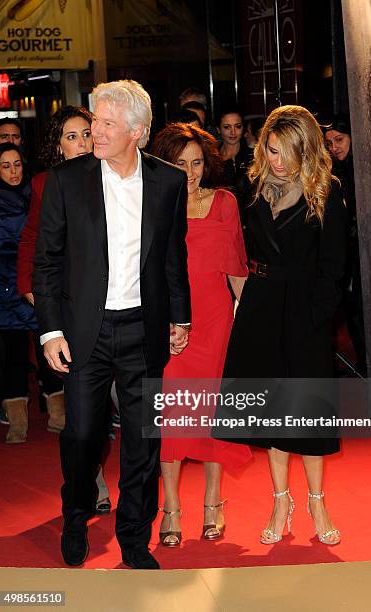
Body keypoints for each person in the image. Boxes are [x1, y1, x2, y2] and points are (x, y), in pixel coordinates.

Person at [33, 80, 191, 570]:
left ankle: (134, 538)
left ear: (136, 132)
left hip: (144, 330)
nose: (94, 132)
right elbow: (47, 263)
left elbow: (172, 255)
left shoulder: (167, 181)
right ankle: (77, 517)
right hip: (85, 332)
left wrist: (180, 315)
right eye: (94, 121)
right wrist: (51, 331)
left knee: (143, 441)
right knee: (82, 435)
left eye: (104, 123)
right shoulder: (67, 180)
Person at [219, 105, 346, 546]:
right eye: (271, 150)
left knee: (307, 413)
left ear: (306, 150)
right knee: (271, 412)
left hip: (304, 310)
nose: (277, 161)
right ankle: (280, 499)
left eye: (286, 153)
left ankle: (316, 500)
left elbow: (335, 267)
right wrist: (241, 299)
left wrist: (317, 316)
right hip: (261, 306)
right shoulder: (251, 188)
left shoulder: (326, 192)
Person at [151, 123, 251, 547]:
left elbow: (238, 269)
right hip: (171, 323)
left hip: (216, 322)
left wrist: (245, 323)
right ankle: (170, 506)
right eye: (180, 163)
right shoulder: (153, 204)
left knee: (211, 415)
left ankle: (213, 502)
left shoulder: (224, 202)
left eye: (196, 163)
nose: (189, 172)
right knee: (172, 415)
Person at [17, 105, 111, 514]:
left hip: (113, 307)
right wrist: (37, 296)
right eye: (71, 136)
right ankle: (91, 482)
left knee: (106, 404)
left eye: (86, 135)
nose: (82, 143)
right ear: (58, 145)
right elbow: (32, 241)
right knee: (83, 410)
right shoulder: (45, 184)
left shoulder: (113, 178)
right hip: (70, 311)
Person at [0, 143, 36, 443]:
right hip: (2, 288)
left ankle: (59, 413)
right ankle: (18, 421)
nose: (13, 171)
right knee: (14, 355)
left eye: (17, 164)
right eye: (6, 165)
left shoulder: (36, 193)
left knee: (51, 348)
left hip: (36, 281)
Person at [324, 114, 366, 375]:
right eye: (329, 143)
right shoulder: (335, 170)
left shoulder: (362, 167)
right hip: (348, 249)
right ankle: (363, 362)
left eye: (339, 140)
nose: (334, 147)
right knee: (352, 309)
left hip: (363, 249)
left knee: (360, 307)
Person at [218, 107, 253, 228]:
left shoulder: (254, 157)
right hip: (222, 224)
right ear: (218, 129)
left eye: (238, 126)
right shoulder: (212, 160)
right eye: (227, 127)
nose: (233, 132)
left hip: (251, 224)